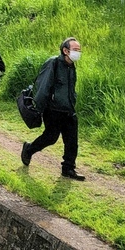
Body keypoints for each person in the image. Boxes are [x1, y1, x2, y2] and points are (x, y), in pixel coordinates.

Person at [22, 37, 85, 180]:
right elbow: (43, 86)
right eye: (75, 50)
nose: (78, 53)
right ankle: (29, 149)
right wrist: (39, 108)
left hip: (68, 109)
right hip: (53, 110)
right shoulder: (53, 63)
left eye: (79, 50)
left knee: (72, 140)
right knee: (50, 137)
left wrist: (72, 101)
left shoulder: (71, 66)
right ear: (65, 50)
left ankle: (68, 168)